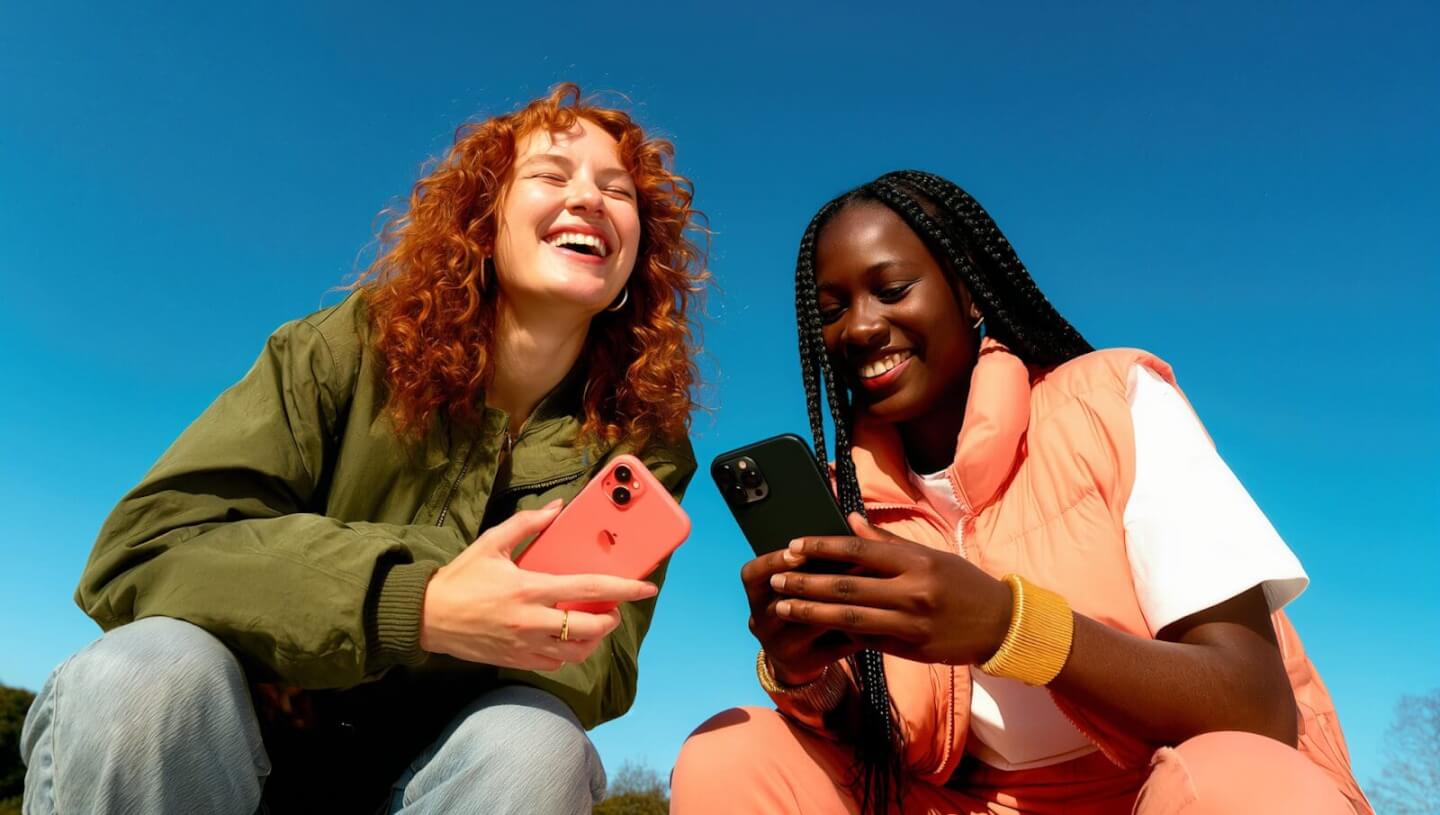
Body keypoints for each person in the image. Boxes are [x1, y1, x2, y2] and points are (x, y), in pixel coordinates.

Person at [20, 83, 706, 815]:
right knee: (143, 675)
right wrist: (419, 603)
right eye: (551, 175)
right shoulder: (340, 349)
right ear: (484, 216)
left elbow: (599, 670)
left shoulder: (643, 442)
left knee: (537, 743)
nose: (591, 200)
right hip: (226, 747)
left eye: (618, 190)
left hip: (429, 776)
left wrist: (519, 624)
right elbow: (145, 549)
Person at [672, 170, 1369, 814]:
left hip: (1163, 791)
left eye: (891, 290)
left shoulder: (1113, 401)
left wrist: (1010, 625)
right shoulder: (844, 496)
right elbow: (880, 744)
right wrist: (808, 676)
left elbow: (1256, 708)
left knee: (1236, 774)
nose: (859, 326)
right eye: (831, 309)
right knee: (732, 754)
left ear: (969, 291)